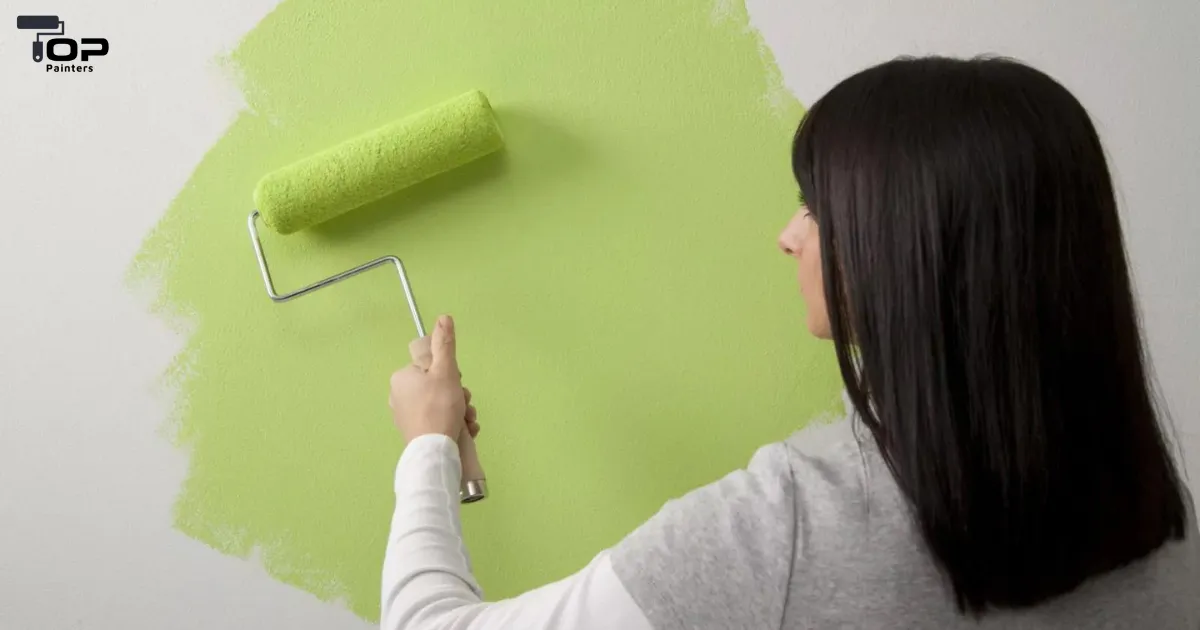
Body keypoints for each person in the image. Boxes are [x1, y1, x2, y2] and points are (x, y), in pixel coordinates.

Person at [380, 55, 1199, 629]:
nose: (787, 235)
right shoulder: (1153, 514)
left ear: (905, 247)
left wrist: (427, 446)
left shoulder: (787, 531)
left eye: (814, 206)